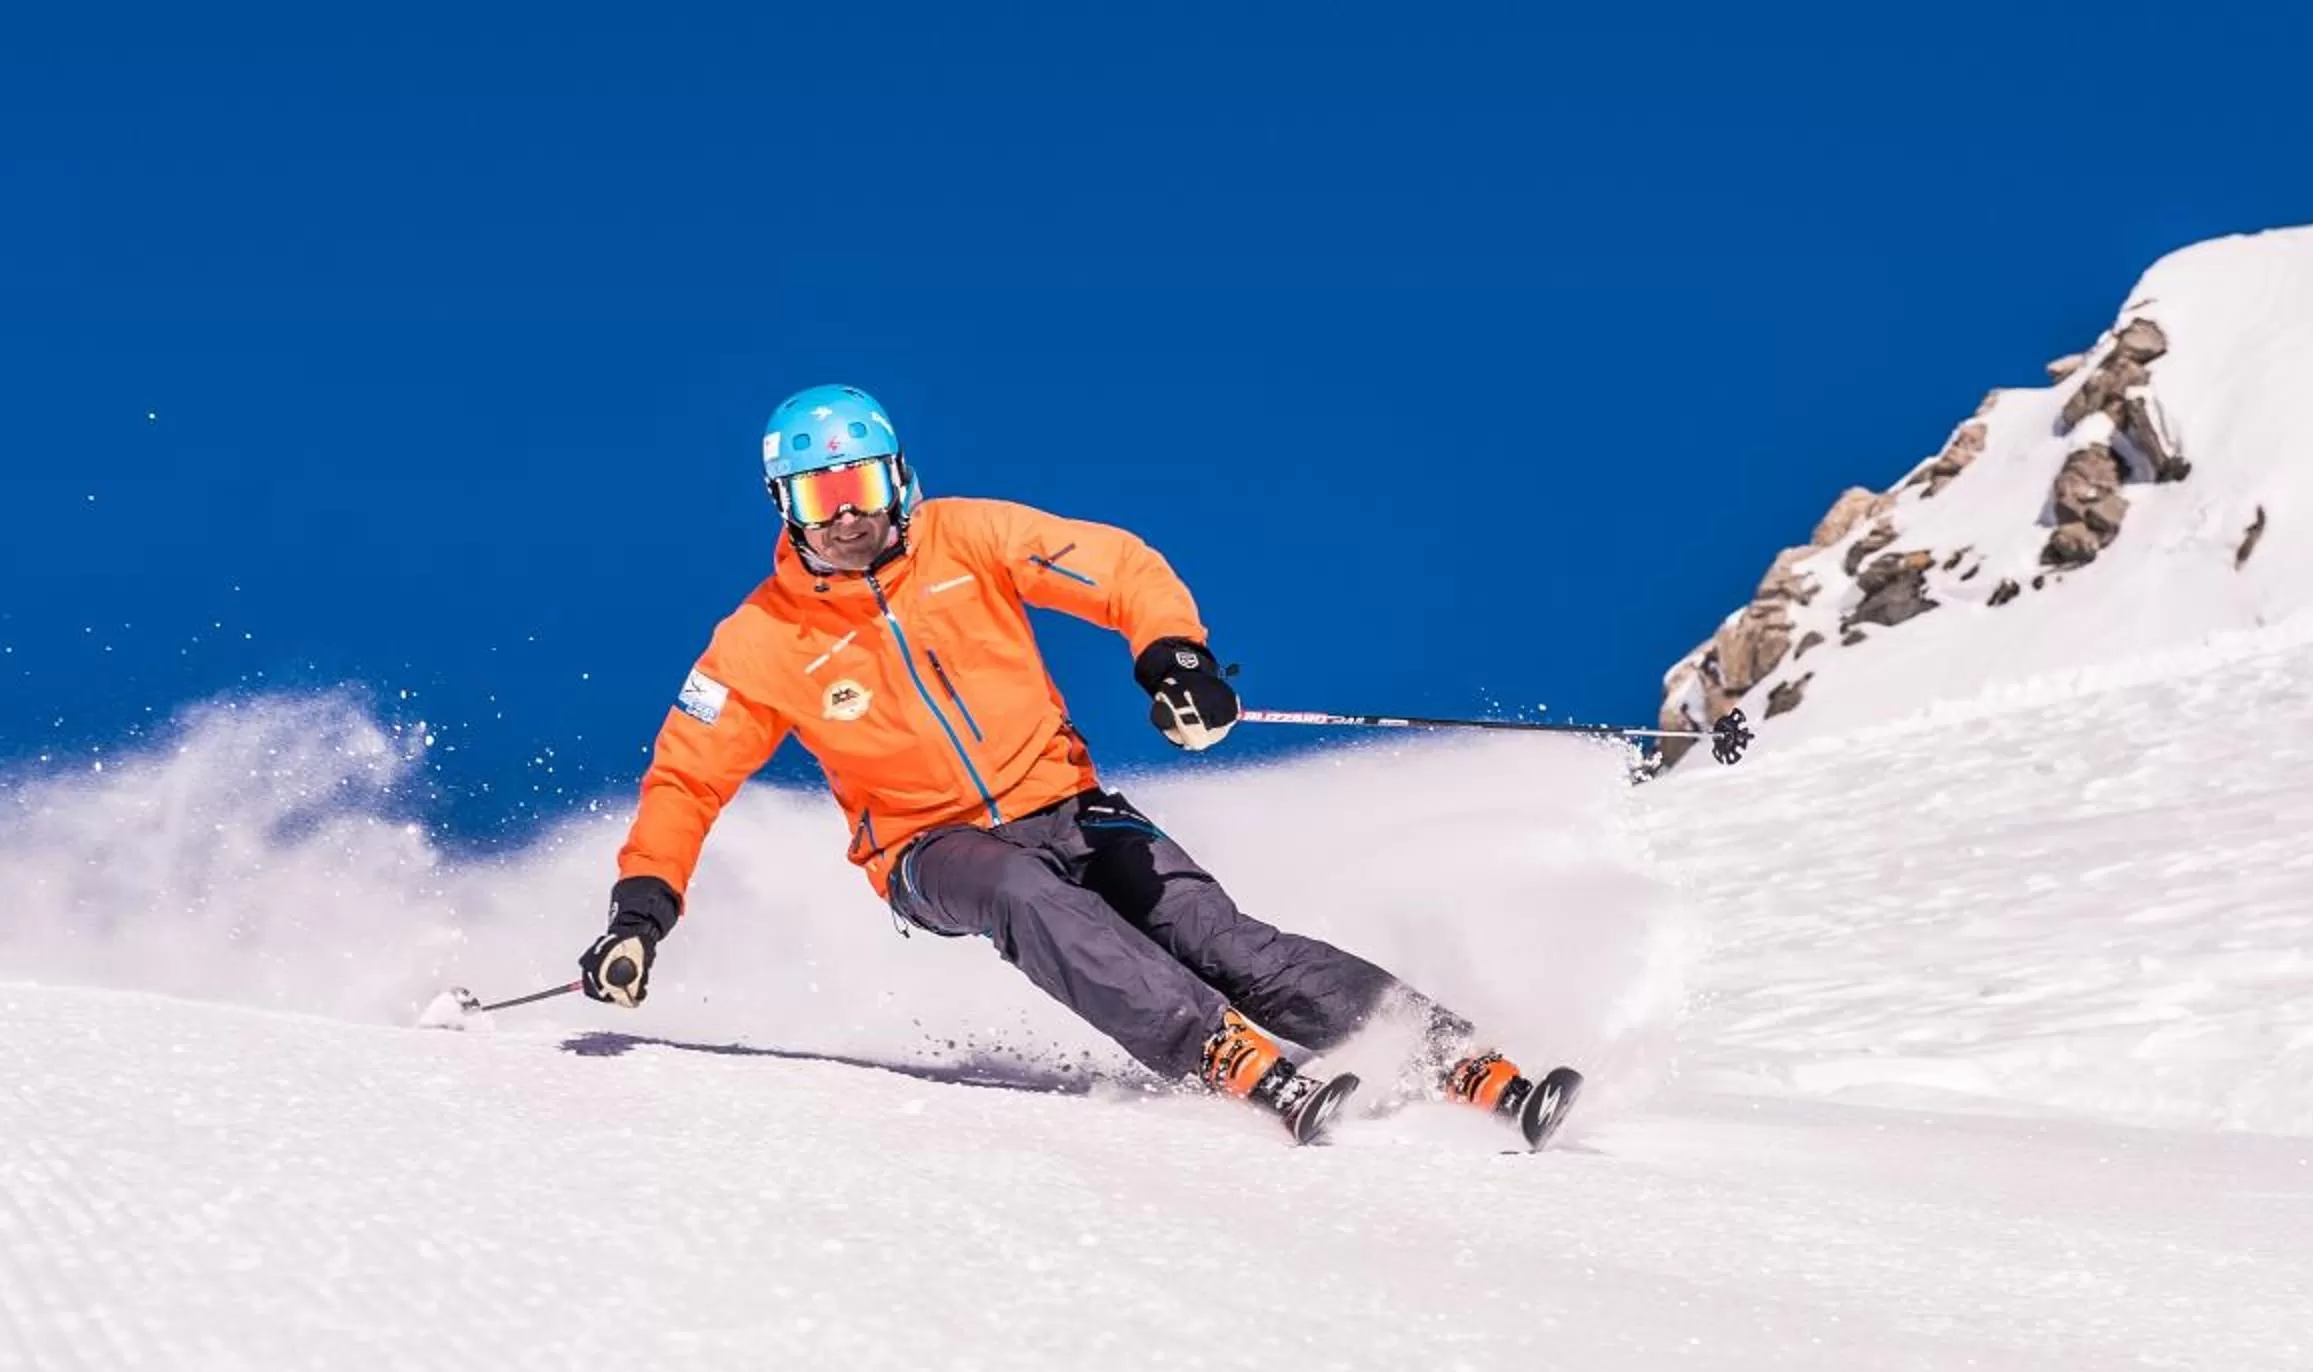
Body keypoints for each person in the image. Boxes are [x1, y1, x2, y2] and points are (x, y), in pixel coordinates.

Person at [577, 384, 1572, 1147]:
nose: (848, 514)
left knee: (1214, 933)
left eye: (865, 483)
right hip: (934, 849)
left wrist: (1172, 653)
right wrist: (640, 912)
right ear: (783, 505)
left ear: (900, 477)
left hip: (1068, 804)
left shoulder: (970, 538)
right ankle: (1220, 1051)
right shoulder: (760, 641)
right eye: (819, 493)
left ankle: (1450, 1053)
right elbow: (686, 778)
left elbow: (1120, 566)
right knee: (1018, 889)